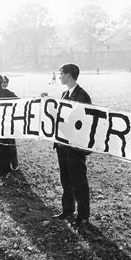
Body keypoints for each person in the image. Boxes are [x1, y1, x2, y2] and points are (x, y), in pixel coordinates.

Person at [52, 64, 92, 225]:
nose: (59, 76)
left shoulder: (82, 96)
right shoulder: (65, 93)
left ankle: (83, 215)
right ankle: (68, 210)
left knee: (79, 181)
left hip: (75, 147)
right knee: (66, 179)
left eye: (61, 73)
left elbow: (84, 121)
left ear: (68, 75)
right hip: (62, 145)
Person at [0, 75, 19, 171]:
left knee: (11, 143)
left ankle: (14, 164)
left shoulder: (10, 93)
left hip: (8, 121)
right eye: (2, 82)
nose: (4, 84)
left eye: (5, 82)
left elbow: (19, 102)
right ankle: (5, 165)